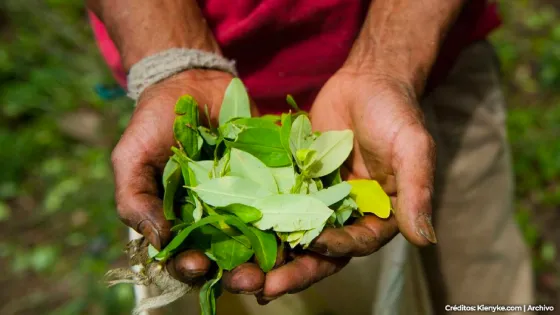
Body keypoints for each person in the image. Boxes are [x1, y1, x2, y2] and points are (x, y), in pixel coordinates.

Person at [87, 0, 534, 314]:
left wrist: (391, 60)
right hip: (200, 105)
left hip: (429, 55)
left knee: (484, 295)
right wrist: (172, 64)